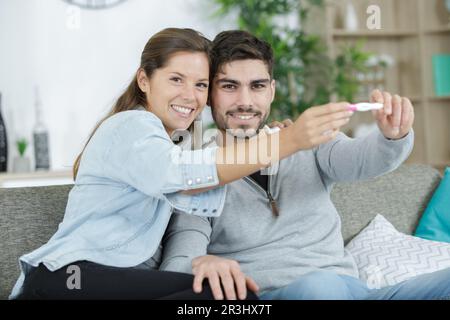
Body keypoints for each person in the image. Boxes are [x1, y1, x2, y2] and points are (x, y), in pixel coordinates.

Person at [10, 28, 352, 300]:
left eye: (201, 84)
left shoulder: (179, 145)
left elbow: (198, 205)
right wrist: (285, 142)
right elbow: (180, 176)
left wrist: (205, 259)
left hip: (114, 280)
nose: (190, 95)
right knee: (213, 297)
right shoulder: (131, 126)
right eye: (176, 79)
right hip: (68, 276)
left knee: (230, 293)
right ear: (144, 80)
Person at [161, 30, 450, 300]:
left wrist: (393, 134)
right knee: (318, 286)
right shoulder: (199, 172)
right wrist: (203, 263)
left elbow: (364, 159)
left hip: (356, 290)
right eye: (229, 87)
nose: (245, 101)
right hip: (285, 293)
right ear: (210, 94)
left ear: (271, 91)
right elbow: (179, 260)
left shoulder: (305, 140)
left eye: (257, 86)